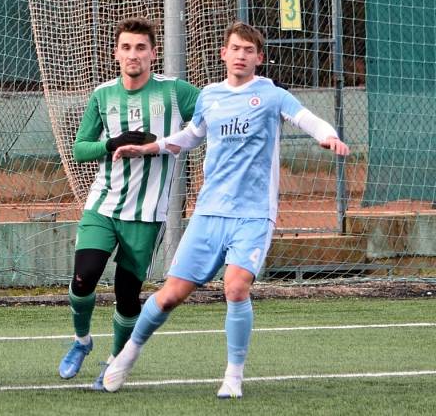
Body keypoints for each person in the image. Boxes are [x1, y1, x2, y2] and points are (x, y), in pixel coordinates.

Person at [101, 21, 350, 397]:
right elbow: (191, 136)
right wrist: (147, 148)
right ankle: (126, 356)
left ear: (259, 58)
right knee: (169, 295)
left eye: (249, 50)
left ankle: (233, 376)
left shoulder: (271, 95)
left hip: (252, 215)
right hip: (208, 214)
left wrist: (327, 135)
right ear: (224, 54)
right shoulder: (210, 96)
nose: (241, 55)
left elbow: (305, 118)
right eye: (235, 48)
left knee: (235, 289)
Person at [57, 17, 199, 389]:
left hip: (147, 213)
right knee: (83, 276)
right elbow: (80, 148)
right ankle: (81, 340)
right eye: (126, 47)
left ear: (153, 52)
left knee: (126, 295)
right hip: (103, 205)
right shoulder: (103, 95)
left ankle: (115, 361)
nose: (133, 54)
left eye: (140, 47)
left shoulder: (174, 92)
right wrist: (111, 143)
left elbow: (214, 110)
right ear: (116, 53)